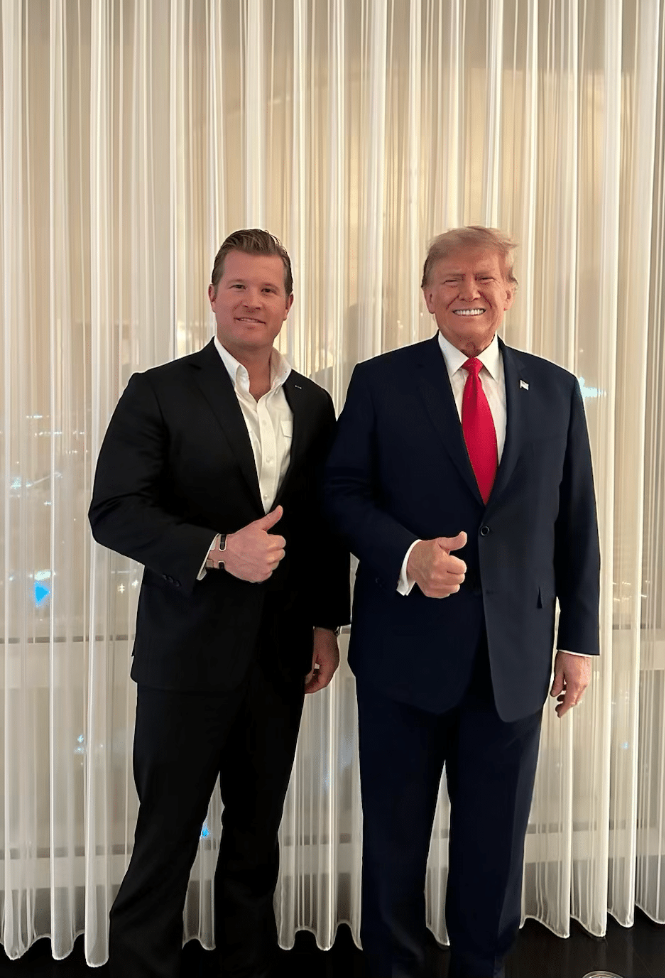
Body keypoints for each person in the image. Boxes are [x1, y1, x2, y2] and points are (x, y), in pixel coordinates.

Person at [324, 226, 600, 978]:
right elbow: (341, 494)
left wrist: (578, 643)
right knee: (394, 842)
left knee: (494, 845)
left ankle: (484, 968)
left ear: (509, 291)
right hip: (401, 660)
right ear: (427, 296)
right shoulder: (380, 382)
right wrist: (407, 555)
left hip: (511, 665)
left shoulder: (555, 390)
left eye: (485, 278)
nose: (468, 292)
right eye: (450, 279)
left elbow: (575, 524)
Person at [89, 229, 349, 978]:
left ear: (289, 304)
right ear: (212, 295)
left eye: (268, 289)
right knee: (166, 835)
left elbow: (323, 528)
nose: (252, 301)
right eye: (238, 286)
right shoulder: (160, 389)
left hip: (279, 658)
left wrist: (326, 625)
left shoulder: (314, 400)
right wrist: (215, 548)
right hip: (185, 656)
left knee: (256, 836)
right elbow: (114, 510)